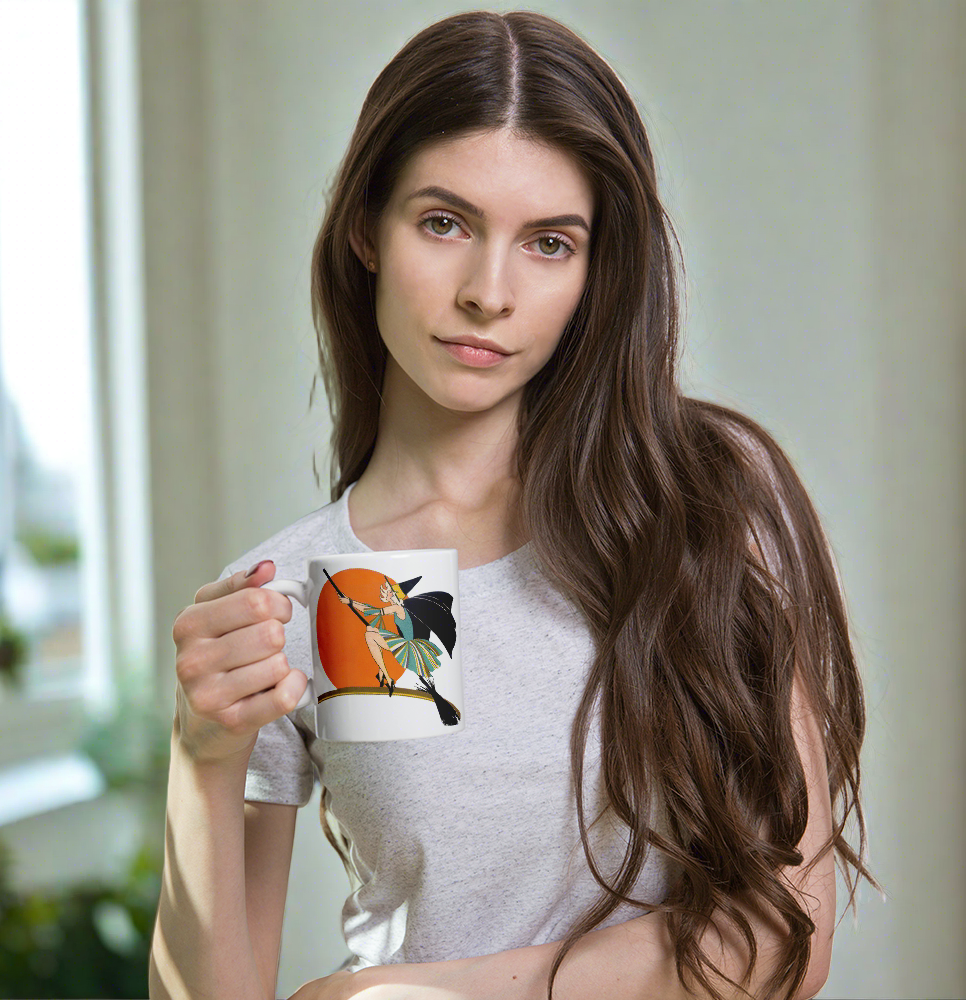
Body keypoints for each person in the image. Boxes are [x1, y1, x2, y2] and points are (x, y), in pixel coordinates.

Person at [148, 10, 880, 1000]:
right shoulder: (349, 592)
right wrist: (202, 760)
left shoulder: (704, 498)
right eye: (443, 222)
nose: (488, 292)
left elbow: (778, 940)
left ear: (595, 269)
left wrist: (409, 995)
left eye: (548, 242)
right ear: (365, 226)